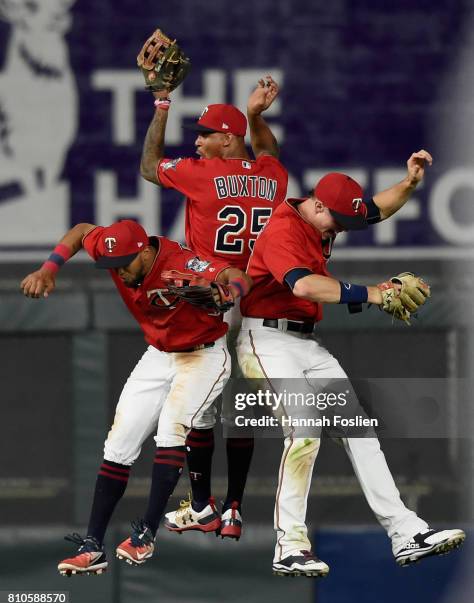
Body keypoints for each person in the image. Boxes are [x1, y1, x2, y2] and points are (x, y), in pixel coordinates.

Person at [235, 151, 466, 576]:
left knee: (359, 430)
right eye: (337, 219)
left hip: (305, 342)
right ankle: (289, 545)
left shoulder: (324, 214)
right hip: (265, 338)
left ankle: (405, 532)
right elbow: (303, 284)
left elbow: (375, 208)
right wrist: (374, 294)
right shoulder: (284, 228)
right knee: (304, 431)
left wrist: (411, 182)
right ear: (318, 205)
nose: (342, 227)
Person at [20, 219, 252, 575]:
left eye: (124, 263)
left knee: (171, 432)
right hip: (158, 355)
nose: (118, 272)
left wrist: (230, 291)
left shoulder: (180, 262)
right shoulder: (113, 248)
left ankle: (146, 534)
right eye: (111, 265)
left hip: (204, 355)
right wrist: (49, 268)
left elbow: (237, 274)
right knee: (118, 446)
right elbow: (82, 230)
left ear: (144, 252)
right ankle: (93, 545)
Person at [140, 76, 288, 539]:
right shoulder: (272, 177)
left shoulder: (201, 173)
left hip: (215, 297)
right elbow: (269, 151)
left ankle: (202, 503)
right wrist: (257, 116)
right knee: (241, 405)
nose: (199, 142)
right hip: (260, 301)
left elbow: (148, 166)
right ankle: (235, 506)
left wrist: (162, 102)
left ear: (228, 138)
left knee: (201, 407)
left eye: (206, 134)